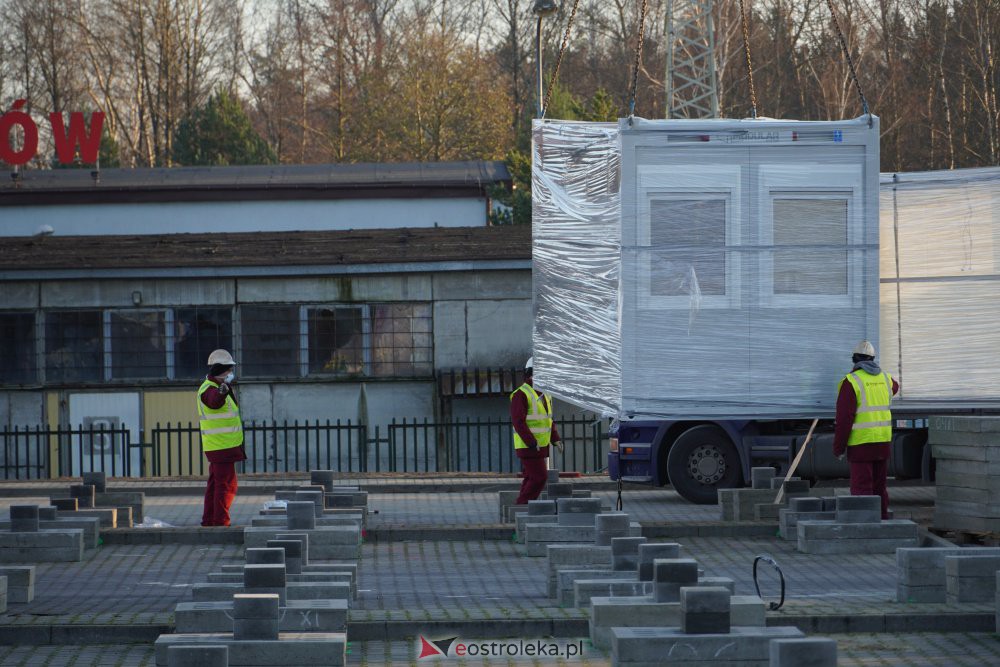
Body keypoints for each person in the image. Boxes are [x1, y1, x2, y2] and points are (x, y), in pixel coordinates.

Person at [833, 340, 899, 520]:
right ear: (873, 358)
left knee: (862, 488)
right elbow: (895, 387)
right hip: (882, 442)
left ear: (854, 359)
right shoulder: (885, 378)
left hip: (861, 444)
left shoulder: (851, 382)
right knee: (879, 487)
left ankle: (865, 525)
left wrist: (838, 448)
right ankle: (882, 520)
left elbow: (844, 419)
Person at [198, 349, 247, 527]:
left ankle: (210, 520)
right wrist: (222, 391)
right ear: (220, 370)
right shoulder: (210, 390)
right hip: (221, 447)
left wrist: (223, 390)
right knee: (226, 486)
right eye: (228, 370)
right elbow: (214, 402)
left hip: (222, 447)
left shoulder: (214, 387)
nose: (230, 373)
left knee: (215, 485)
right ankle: (220, 523)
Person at [510, 356, 562, 504]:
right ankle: (522, 506)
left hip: (539, 446)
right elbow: (518, 422)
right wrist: (531, 442)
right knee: (539, 477)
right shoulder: (521, 394)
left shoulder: (545, 394)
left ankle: (520, 510)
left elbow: (547, 419)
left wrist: (555, 438)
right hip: (529, 447)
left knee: (531, 477)